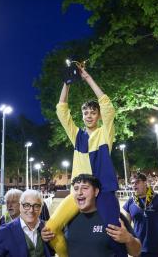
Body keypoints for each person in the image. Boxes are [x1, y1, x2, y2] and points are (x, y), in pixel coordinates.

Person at [46, 66, 122, 256]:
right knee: (50, 229)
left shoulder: (105, 134)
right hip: (78, 192)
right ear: (83, 116)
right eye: (86, 113)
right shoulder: (77, 136)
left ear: (98, 116)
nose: (89, 115)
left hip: (103, 192)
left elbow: (107, 106)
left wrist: (87, 77)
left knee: (115, 234)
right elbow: (61, 111)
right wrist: (67, 83)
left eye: (93, 112)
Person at [42, 174, 141, 257]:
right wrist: (46, 237)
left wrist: (128, 239)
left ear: (96, 192)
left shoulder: (111, 215)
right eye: (76, 189)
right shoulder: (68, 219)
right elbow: (56, 248)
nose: (79, 192)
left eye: (85, 188)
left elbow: (136, 252)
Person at [0, 189, 54, 257]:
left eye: (36, 206)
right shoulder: (2, 232)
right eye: (26, 205)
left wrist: (50, 243)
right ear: (20, 206)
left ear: (41, 209)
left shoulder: (48, 228)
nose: (31, 210)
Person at [123, 172, 158, 257]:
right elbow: (126, 227)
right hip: (138, 249)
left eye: (137, 182)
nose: (134, 185)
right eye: (132, 183)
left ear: (145, 182)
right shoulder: (130, 202)